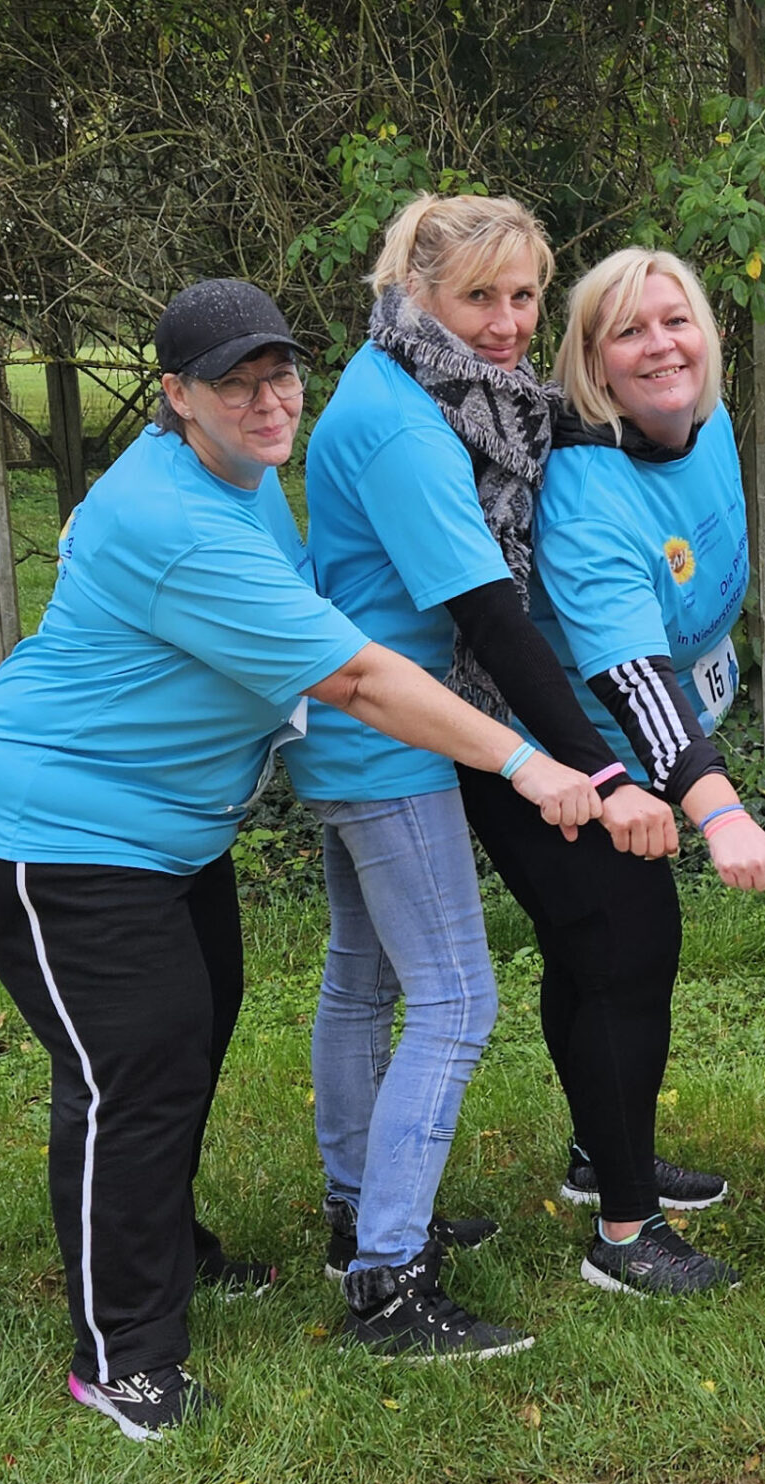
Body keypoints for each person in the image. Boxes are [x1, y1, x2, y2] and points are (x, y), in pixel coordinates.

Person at [0, 279, 602, 1439]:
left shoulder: (243, 483)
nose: (266, 400)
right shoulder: (172, 516)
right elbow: (348, 675)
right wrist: (528, 763)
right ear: (175, 398)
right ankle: (124, 1354)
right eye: (233, 382)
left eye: (280, 373)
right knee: (129, 1075)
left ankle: (163, 1242)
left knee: (185, 1038)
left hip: (166, 827)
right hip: (57, 825)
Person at [284, 193, 661, 1357]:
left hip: (362, 727)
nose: (505, 324)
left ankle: (361, 1212)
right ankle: (388, 1279)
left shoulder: (418, 386)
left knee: (364, 978)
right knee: (456, 997)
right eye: (478, 297)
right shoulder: (402, 423)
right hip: (392, 736)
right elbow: (492, 620)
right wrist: (598, 771)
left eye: (522, 296)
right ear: (419, 296)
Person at [486, 244, 765, 1297]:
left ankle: (596, 1149)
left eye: (677, 319)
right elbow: (631, 672)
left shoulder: (703, 434)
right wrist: (720, 809)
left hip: (646, 749)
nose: (660, 343)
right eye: (627, 330)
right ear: (591, 363)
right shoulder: (585, 484)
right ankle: (624, 1233)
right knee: (625, 946)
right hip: (564, 754)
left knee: (593, 957)